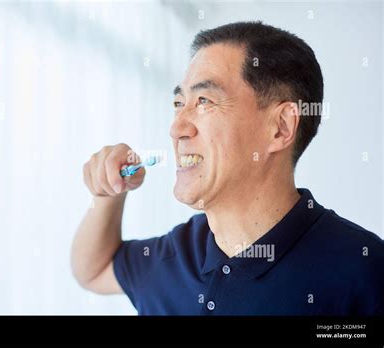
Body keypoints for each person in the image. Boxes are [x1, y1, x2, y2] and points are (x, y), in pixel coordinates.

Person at [71, 21, 384, 315]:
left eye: (204, 101)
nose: (176, 127)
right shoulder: (176, 254)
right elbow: (93, 270)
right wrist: (108, 194)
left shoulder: (366, 272)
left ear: (280, 127)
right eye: (179, 104)